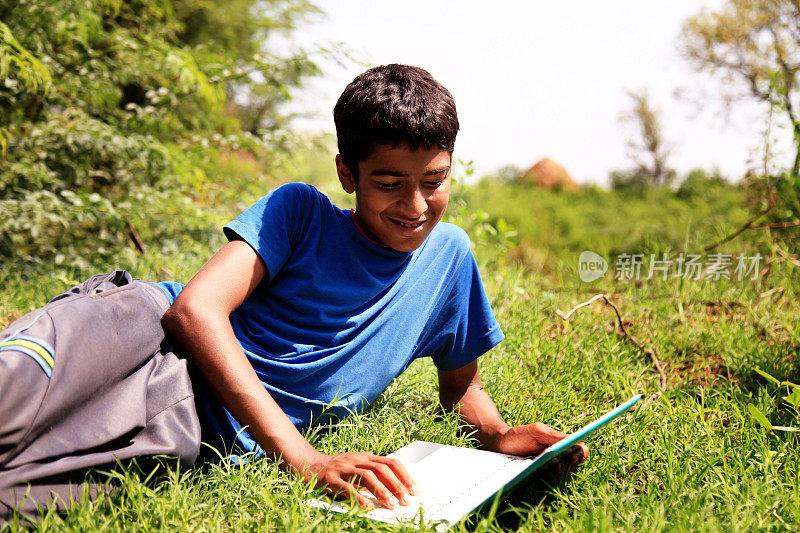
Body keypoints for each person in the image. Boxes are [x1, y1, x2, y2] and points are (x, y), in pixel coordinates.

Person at [0, 64, 587, 518]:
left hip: (196, 422)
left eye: (433, 182)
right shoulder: (300, 212)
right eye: (389, 183)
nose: (415, 206)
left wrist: (495, 434)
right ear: (347, 174)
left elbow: (461, 386)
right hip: (136, 330)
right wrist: (300, 456)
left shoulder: (450, 258)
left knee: (18, 495)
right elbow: (194, 311)